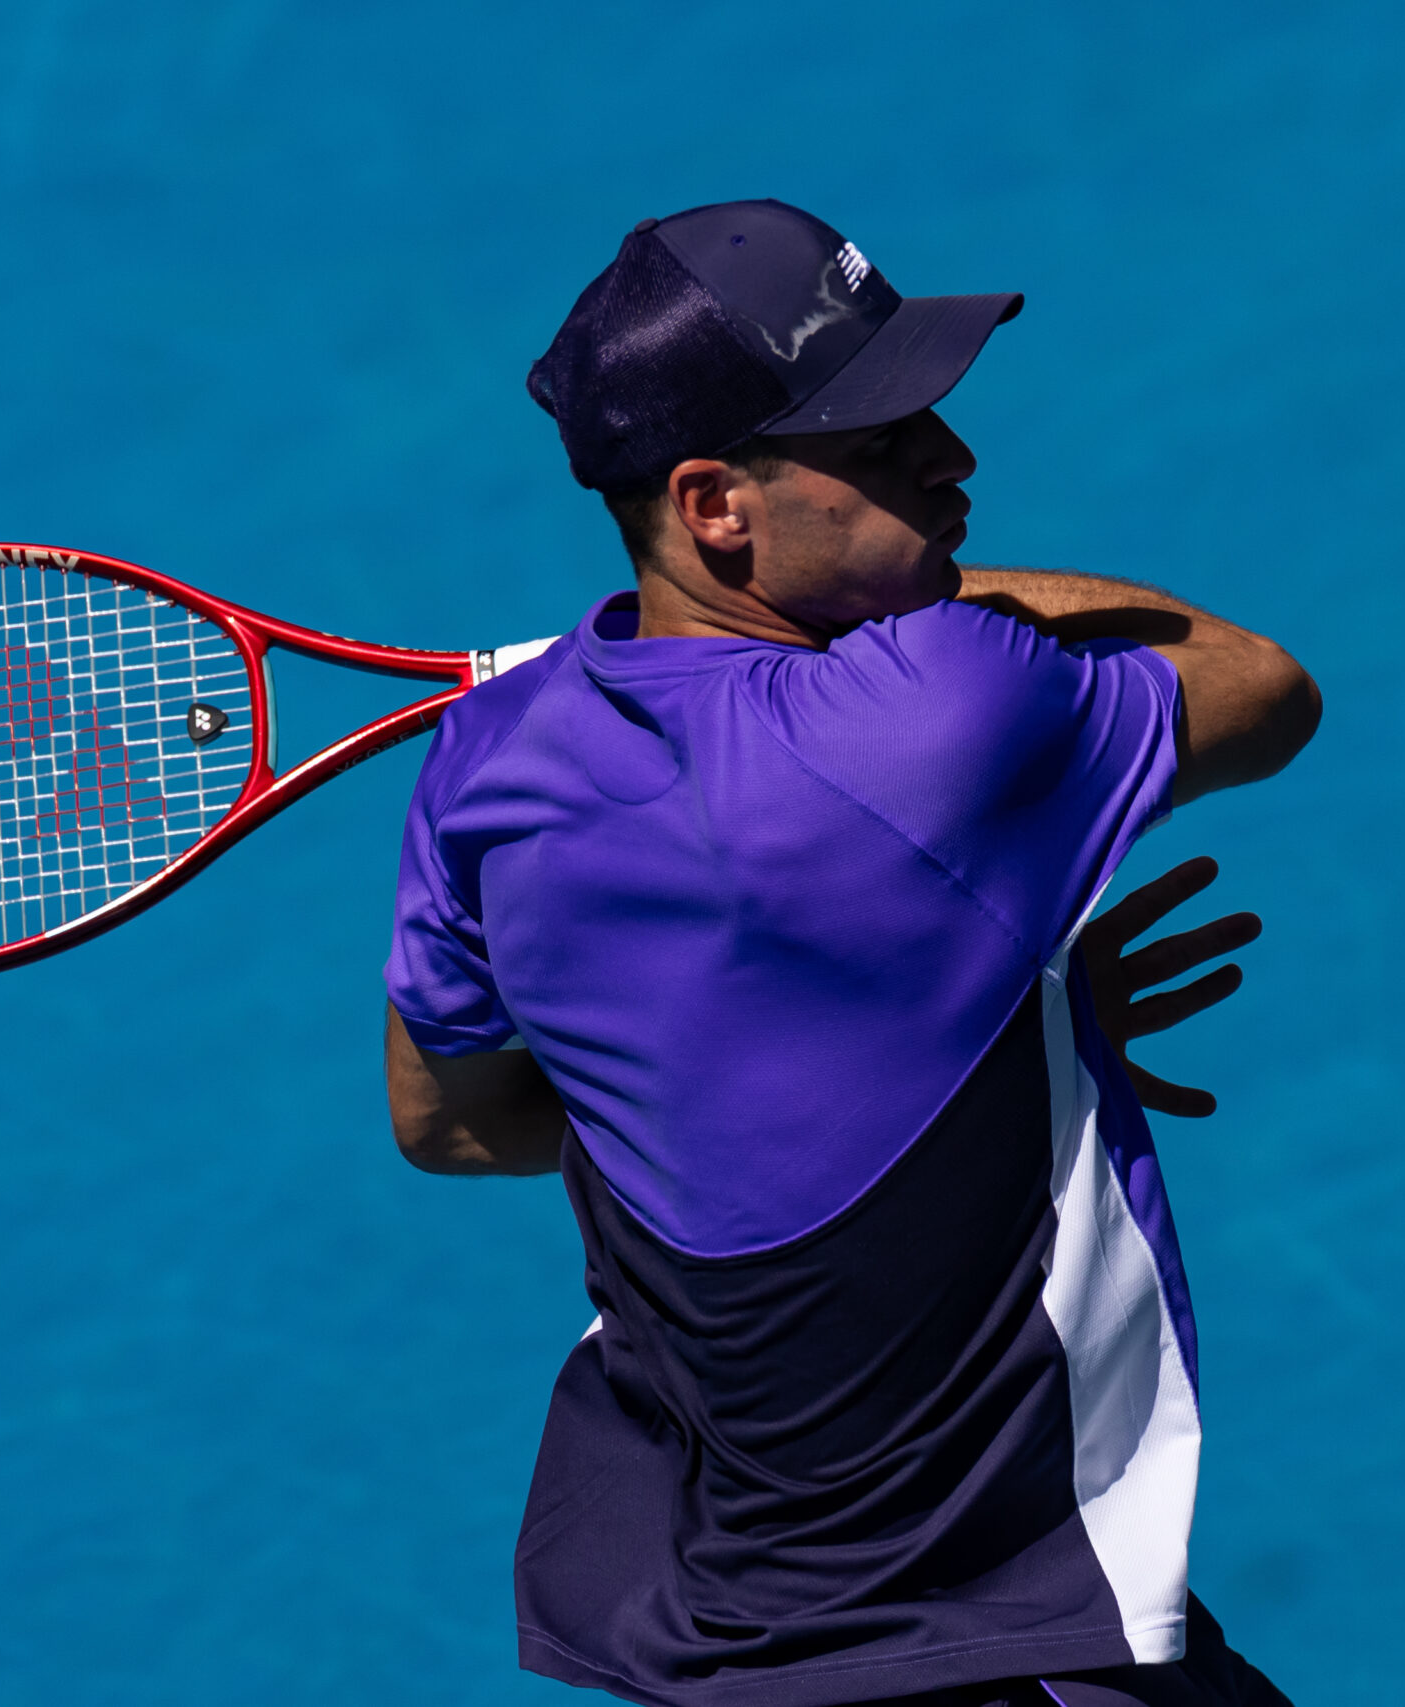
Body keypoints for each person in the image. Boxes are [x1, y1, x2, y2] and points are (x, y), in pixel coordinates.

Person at [381, 200, 1320, 1707]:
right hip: (1010, 1654)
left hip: (732, 1655)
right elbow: (1256, 685)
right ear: (714, 506)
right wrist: (969, 603)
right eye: (884, 448)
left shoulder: (484, 771)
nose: (954, 467)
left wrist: (961, 1033)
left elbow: (449, 1120)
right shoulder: (943, 707)